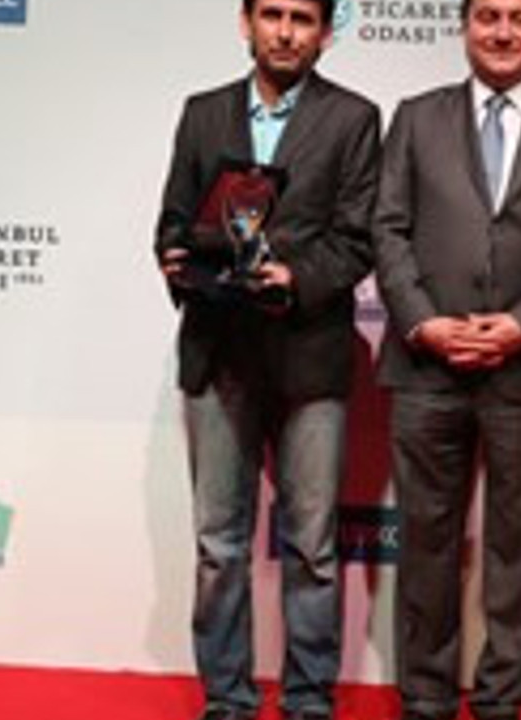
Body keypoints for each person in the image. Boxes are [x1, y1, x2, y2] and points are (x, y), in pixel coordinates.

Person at [372, 0, 521, 716]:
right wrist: (423, 323)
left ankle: (502, 701)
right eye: (488, 16)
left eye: (519, 17)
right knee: (426, 542)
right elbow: (387, 228)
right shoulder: (416, 117)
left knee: (519, 550)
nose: (503, 32)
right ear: (464, 25)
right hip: (426, 367)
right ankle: (425, 698)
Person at [154, 0, 380, 718]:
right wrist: (174, 257)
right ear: (245, 22)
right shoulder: (202, 113)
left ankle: (308, 701)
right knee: (219, 545)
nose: (285, 31)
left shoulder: (354, 119)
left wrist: (296, 277)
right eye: (272, 14)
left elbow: (357, 239)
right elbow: (173, 219)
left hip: (309, 356)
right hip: (218, 351)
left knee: (311, 545)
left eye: (302, 18)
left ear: (326, 32)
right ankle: (228, 700)